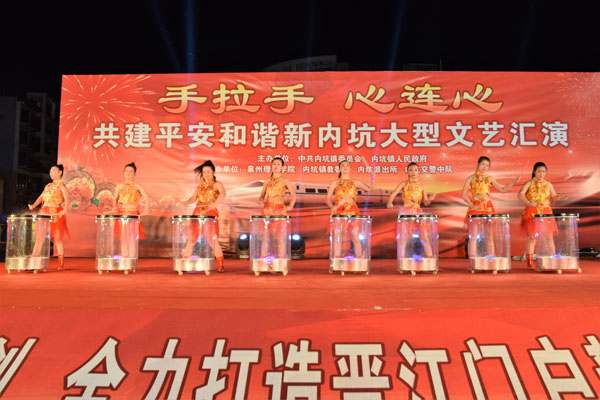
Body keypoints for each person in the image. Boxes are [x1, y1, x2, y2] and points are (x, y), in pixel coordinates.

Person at [461, 156, 518, 258]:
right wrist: (471, 205)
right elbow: (463, 195)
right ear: (478, 164)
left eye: (487, 166)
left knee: (489, 235)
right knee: (473, 235)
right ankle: (473, 258)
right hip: (476, 208)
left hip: (488, 208)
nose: (485, 167)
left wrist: (512, 182)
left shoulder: (489, 178)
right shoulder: (471, 178)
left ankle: (491, 258)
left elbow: (503, 190)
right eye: (483, 164)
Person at [180, 160, 226, 272]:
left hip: (210, 212)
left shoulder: (217, 184)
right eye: (204, 172)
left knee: (213, 240)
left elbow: (223, 194)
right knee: (192, 239)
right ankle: (184, 263)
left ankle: (220, 264)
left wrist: (215, 203)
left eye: (208, 171)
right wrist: (184, 202)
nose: (206, 174)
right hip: (197, 213)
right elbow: (193, 198)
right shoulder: (199, 186)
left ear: (213, 172)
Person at [518, 162, 563, 269]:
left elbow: (554, 196)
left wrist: (559, 197)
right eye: (539, 171)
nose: (541, 174)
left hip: (546, 212)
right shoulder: (529, 183)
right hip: (532, 211)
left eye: (543, 171)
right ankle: (529, 261)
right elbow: (520, 194)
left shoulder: (548, 184)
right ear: (534, 172)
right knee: (532, 237)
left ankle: (551, 260)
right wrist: (529, 203)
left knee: (548, 237)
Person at [326, 160, 374, 258]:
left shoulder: (355, 182)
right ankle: (337, 260)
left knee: (355, 236)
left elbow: (370, 189)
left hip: (353, 211)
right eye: (343, 165)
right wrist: (333, 207)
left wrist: (372, 177)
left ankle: (359, 259)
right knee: (338, 237)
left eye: (347, 165)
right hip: (339, 212)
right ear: (339, 169)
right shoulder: (335, 183)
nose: (345, 167)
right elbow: (327, 198)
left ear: (350, 168)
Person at [387, 162, 436, 258]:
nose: (413, 172)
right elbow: (393, 194)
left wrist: (430, 199)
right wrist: (390, 202)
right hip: (406, 212)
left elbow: (425, 202)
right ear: (407, 172)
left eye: (415, 170)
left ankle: (430, 257)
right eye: (411, 170)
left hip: (418, 212)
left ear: (418, 172)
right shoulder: (403, 184)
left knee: (424, 236)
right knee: (404, 237)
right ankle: (401, 259)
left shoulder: (422, 185)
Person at [28, 164, 70, 270]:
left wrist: (65, 209)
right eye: (50, 171)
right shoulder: (48, 186)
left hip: (56, 213)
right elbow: (41, 196)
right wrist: (33, 205)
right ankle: (33, 261)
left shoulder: (61, 185)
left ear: (60, 172)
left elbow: (67, 198)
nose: (51, 173)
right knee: (40, 237)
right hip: (44, 212)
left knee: (58, 238)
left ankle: (61, 263)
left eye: (53, 171)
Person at [258, 157, 296, 258]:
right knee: (265, 235)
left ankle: (281, 260)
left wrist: (291, 205)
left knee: (280, 236)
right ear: (271, 166)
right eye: (274, 164)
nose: (276, 166)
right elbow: (262, 195)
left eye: (278, 164)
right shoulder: (267, 180)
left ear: (282, 167)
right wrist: (261, 200)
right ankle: (264, 259)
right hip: (267, 209)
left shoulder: (284, 180)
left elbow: (293, 195)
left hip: (279, 209)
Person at [112, 162, 149, 258]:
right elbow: (115, 199)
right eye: (126, 171)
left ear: (134, 174)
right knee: (123, 238)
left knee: (132, 238)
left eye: (131, 171)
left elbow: (146, 197)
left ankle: (132, 259)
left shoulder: (137, 186)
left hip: (133, 214)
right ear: (123, 173)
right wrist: (115, 208)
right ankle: (125, 258)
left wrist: (146, 210)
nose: (128, 173)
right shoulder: (119, 186)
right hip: (122, 213)